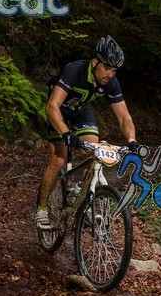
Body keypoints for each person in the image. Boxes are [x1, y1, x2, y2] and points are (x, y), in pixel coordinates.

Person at [35, 35, 140, 230]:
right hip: (59, 111)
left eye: (114, 70)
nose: (109, 74)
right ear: (95, 62)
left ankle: (79, 195)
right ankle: (41, 210)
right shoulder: (75, 70)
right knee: (59, 159)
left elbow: (124, 117)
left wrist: (132, 139)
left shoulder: (111, 83)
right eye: (106, 68)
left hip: (81, 111)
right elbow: (52, 106)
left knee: (94, 150)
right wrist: (66, 133)